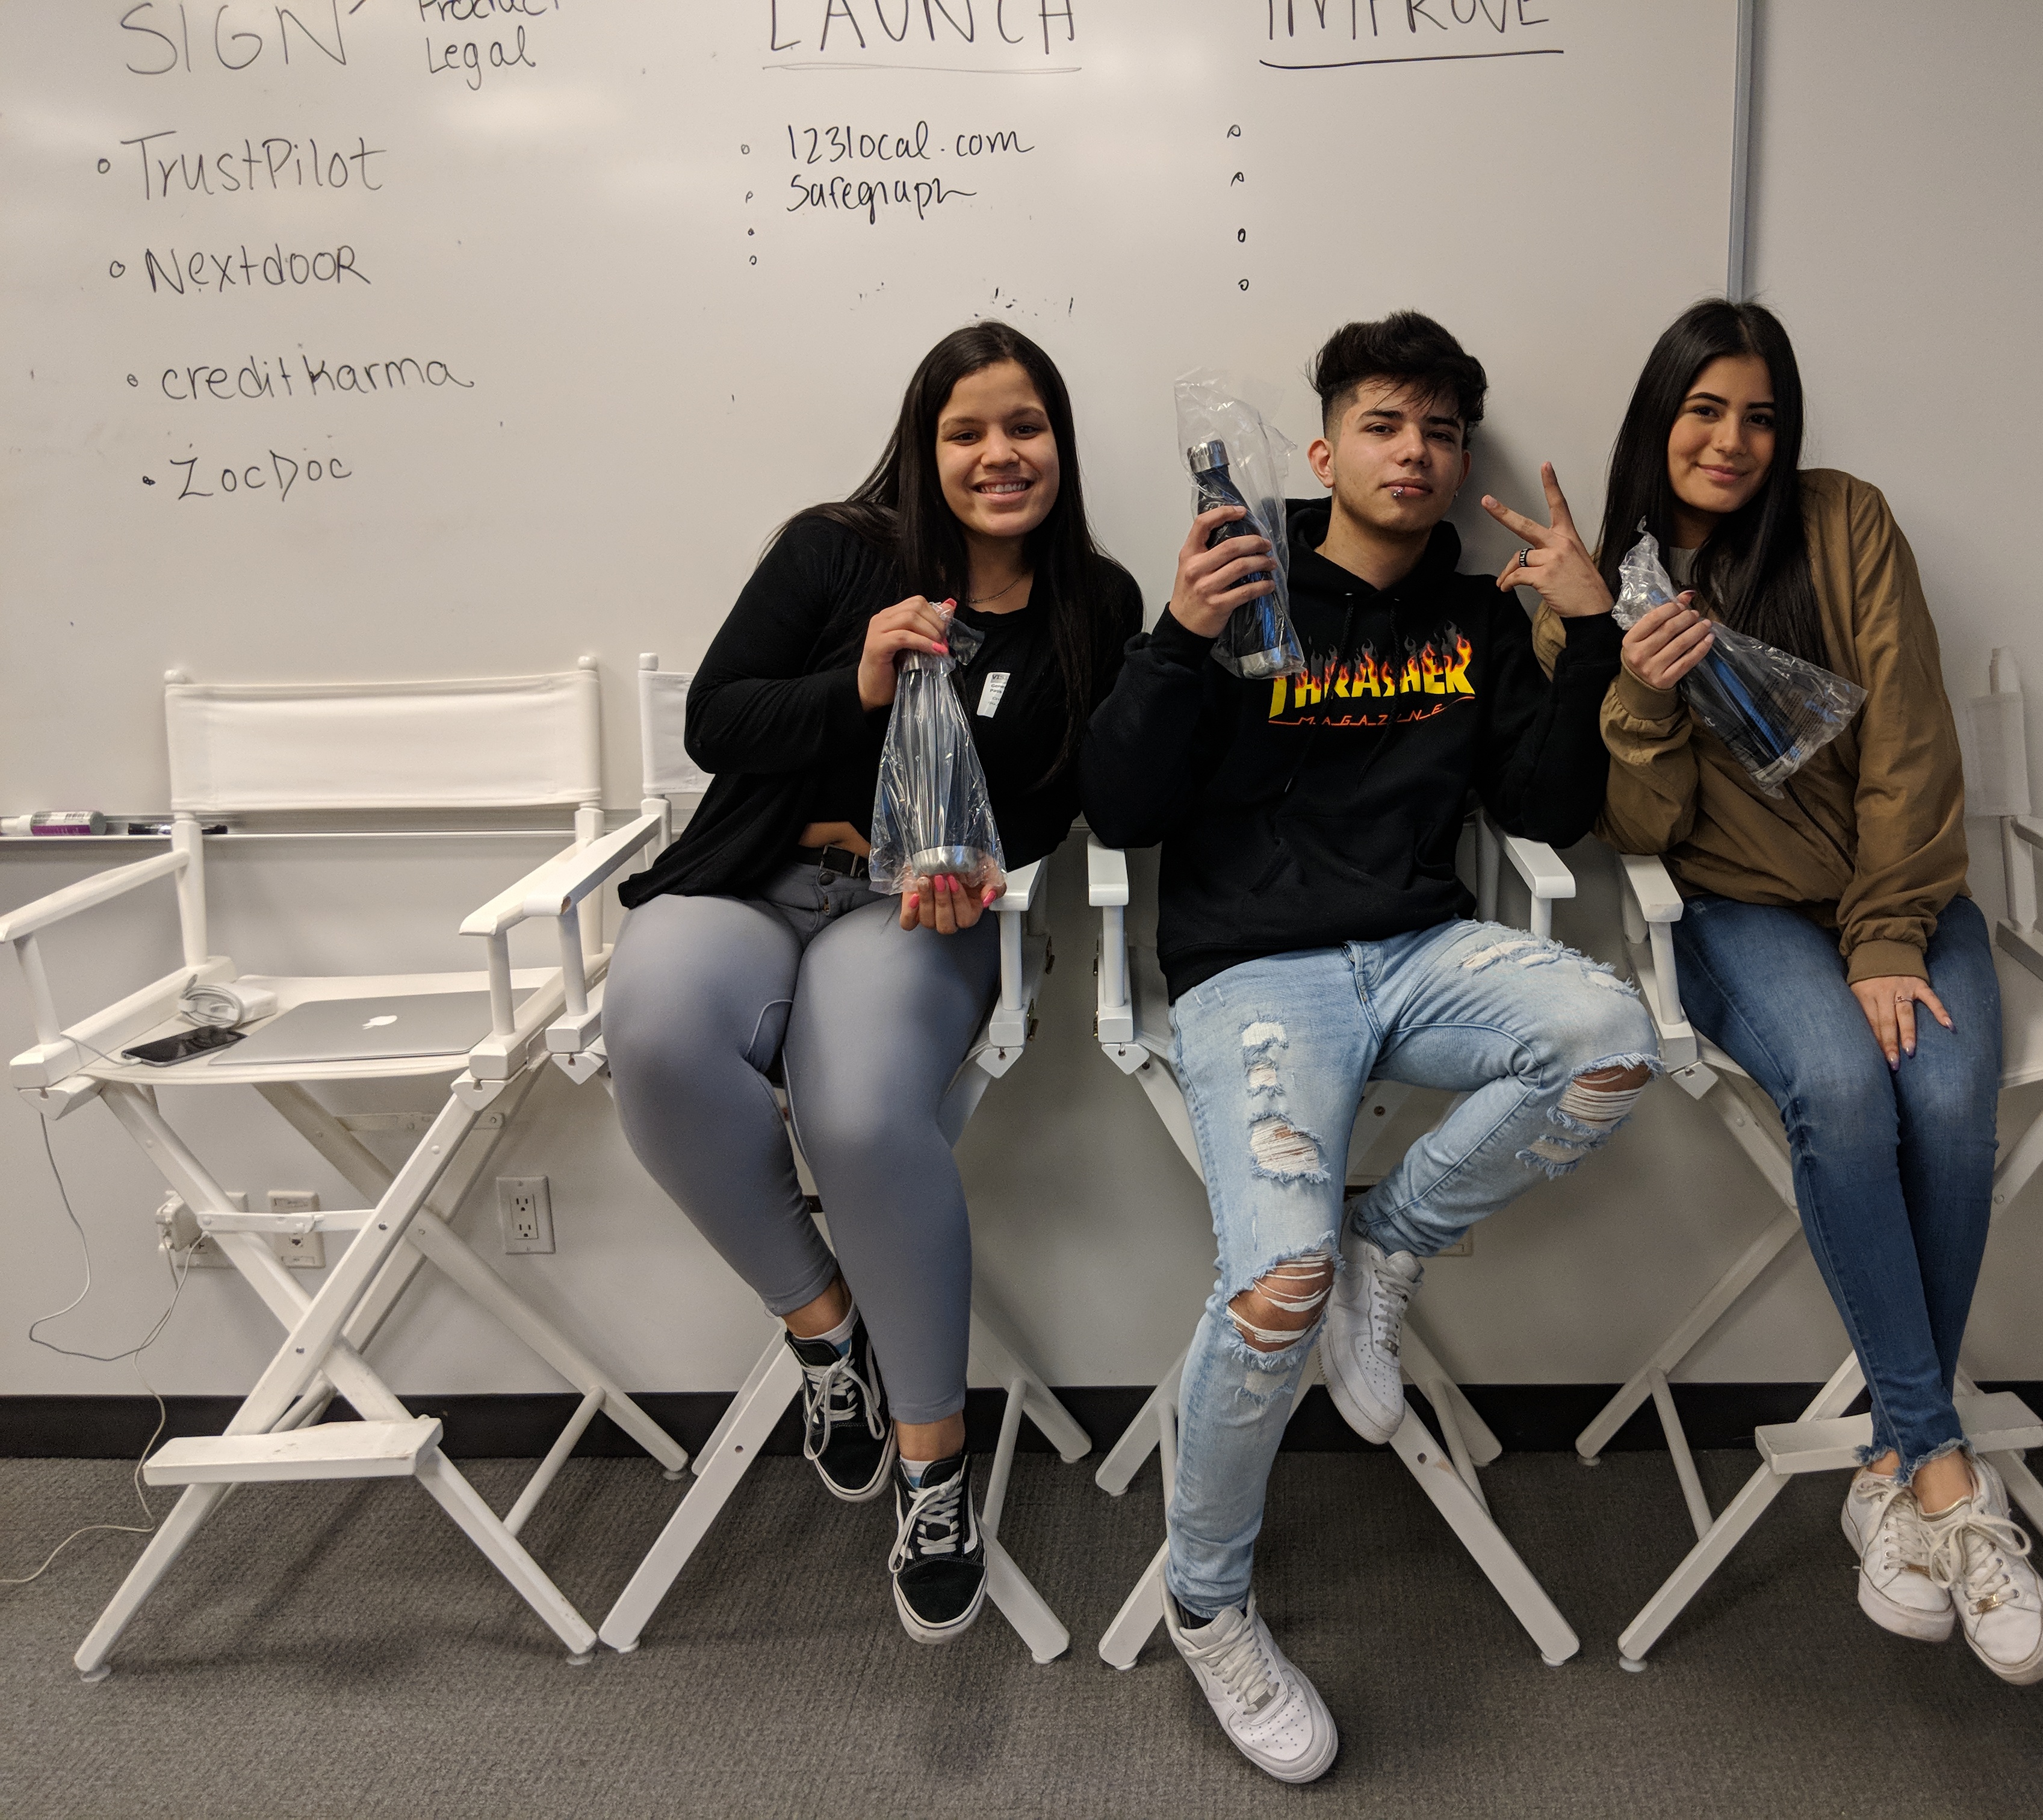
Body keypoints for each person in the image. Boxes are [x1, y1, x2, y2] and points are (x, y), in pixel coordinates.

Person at [1084, 312, 1658, 1781]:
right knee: (1273, 1290)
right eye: (1388, 426)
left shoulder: (1473, 623)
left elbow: (1546, 810)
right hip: (1255, 978)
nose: (1418, 454)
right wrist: (1179, 636)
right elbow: (1126, 808)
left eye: (1443, 432)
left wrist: (1585, 629)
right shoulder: (1241, 576)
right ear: (1326, 447)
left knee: (1609, 1039)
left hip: (1419, 951)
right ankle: (1210, 1608)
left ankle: (1386, 1244)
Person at [1519, 297, 2043, 1685]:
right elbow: (1640, 832)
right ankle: (1944, 1475)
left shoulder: (1844, 521)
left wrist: (1886, 935)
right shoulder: (1605, 581)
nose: (1734, 439)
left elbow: (1914, 744)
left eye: (1760, 414)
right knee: (1835, 1089)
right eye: (1705, 409)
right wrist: (1629, 685)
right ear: (1659, 418)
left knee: (1944, 1103)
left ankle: (1892, 1460)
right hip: (1737, 913)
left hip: (1901, 892)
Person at [605, 322, 1140, 1645]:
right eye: (967, 432)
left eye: (1025, 428)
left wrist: (985, 857)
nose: (999, 455)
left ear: (1060, 444)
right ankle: (822, 1327)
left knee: (855, 1117)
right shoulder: (835, 551)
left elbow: (1072, 798)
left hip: (914, 912)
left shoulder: (1095, 605)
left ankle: (934, 1467)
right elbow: (718, 718)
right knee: (658, 1030)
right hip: (758, 875)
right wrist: (855, 682)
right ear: (927, 444)